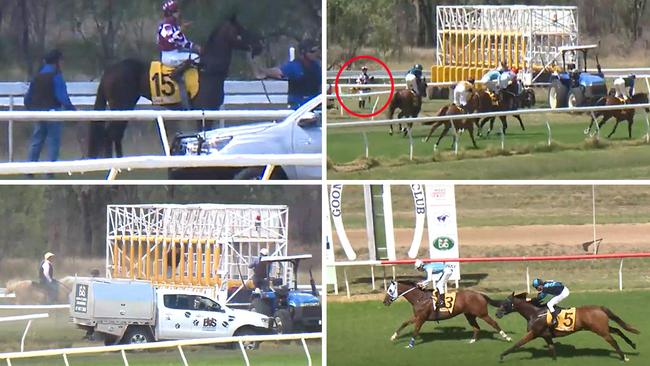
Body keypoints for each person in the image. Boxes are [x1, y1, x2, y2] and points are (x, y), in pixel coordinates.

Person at [24, 49, 76, 178]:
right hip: (53, 112)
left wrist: (32, 110)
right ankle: (50, 171)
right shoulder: (56, 75)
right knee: (53, 141)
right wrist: (72, 111)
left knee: (37, 140)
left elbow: (28, 98)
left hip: (38, 112)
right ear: (57, 61)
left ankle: (30, 170)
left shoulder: (37, 76)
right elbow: (62, 97)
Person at [250, 39, 321, 109]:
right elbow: (278, 72)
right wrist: (263, 71)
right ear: (303, 53)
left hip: (315, 105)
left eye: (317, 51)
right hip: (298, 107)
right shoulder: (294, 66)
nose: (316, 54)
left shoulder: (316, 67)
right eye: (312, 51)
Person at [157, 0, 201, 108]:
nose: (179, 13)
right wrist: (181, 29)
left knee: (196, 56)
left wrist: (195, 47)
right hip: (169, 56)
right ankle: (176, 75)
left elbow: (183, 43)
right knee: (195, 58)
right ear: (171, 13)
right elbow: (171, 39)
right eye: (176, 11)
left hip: (175, 54)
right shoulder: (165, 26)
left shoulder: (174, 26)